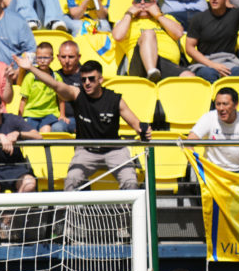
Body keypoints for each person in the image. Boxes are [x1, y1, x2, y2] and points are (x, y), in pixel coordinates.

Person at [13, 56, 150, 190]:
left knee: (130, 182)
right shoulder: (77, 94)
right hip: (86, 150)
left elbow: (136, 125)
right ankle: (73, 213)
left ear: (100, 79)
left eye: (91, 79)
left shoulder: (115, 99)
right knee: (71, 182)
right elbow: (55, 84)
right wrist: (31, 68)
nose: (87, 83)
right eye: (83, 79)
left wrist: (144, 130)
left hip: (114, 149)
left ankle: (129, 212)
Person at [112, 0, 193, 82]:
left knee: (189, 77)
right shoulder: (126, 22)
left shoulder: (166, 18)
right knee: (148, 33)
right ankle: (152, 72)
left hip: (166, 64)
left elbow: (178, 34)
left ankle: (155, 75)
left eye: (147, 0)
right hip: (139, 65)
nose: (142, 3)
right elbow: (118, 36)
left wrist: (158, 15)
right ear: (133, 3)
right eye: (138, 0)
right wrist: (128, 14)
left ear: (154, 2)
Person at [185, 0, 239, 84]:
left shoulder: (235, 14)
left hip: (230, 62)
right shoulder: (198, 19)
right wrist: (212, 64)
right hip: (206, 62)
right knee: (209, 74)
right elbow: (189, 47)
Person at [187, 87, 239, 173]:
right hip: (213, 172)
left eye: (225, 104)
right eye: (218, 104)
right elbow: (188, 143)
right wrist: (199, 167)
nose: (221, 108)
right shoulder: (208, 118)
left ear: (236, 105)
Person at [18, 41, 64, 133]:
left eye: (46, 57)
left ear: (52, 59)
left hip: (49, 114)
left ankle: (46, 148)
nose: (42, 61)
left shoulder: (56, 78)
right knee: (31, 133)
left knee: (46, 131)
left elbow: (61, 99)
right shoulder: (30, 77)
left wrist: (62, 115)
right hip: (31, 113)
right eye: (39, 57)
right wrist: (19, 118)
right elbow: (23, 100)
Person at [55, 40, 82, 132]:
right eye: (63, 57)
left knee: (57, 128)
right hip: (56, 118)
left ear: (78, 57)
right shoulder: (54, 76)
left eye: (71, 57)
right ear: (58, 57)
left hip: (80, 119)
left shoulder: (87, 77)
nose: (66, 61)